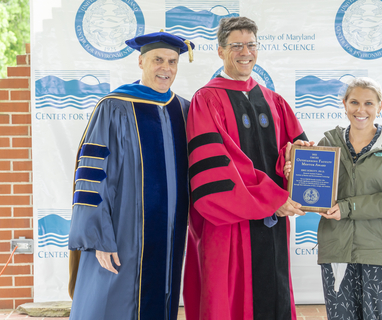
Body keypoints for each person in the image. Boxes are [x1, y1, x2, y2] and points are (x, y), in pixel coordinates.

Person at [183, 16, 312, 320]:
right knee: (227, 297)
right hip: (229, 221)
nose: (245, 52)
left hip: (273, 222)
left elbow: (292, 151)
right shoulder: (206, 99)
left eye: (251, 45)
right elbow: (218, 163)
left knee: (274, 288)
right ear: (220, 51)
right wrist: (272, 199)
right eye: (237, 45)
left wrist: (294, 165)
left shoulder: (274, 100)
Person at [67, 31, 195, 320]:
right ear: (141, 62)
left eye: (173, 61)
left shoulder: (184, 110)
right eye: (158, 60)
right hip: (123, 230)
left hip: (170, 234)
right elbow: (92, 173)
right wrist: (99, 236)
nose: (166, 68)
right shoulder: (114, 107)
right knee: (112, 303)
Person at [284, 77, 382, 320]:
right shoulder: (328, 143)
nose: (361, 109)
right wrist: (296, 175)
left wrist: (348, 207)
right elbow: (319, 196)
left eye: (368, 103)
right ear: (344, 104)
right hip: (337, 250)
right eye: (354, 102)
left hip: (380, 252)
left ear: (380, 106)